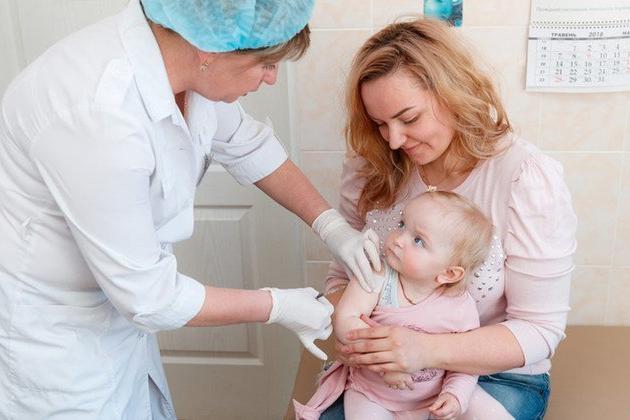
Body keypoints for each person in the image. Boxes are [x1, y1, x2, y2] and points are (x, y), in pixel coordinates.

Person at [0, 1, 382, 418]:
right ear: (210, 49)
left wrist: (331, 227)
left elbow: (250, 145)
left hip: (116, 313)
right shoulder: (99, 113)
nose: (272, 78)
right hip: (55, 339)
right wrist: (279, 306)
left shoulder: (186, 65)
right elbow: (150, 296)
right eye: (265, 64)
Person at [290, 17, 577, 420]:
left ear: (453, 94)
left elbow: (540, 329)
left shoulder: (524, 177)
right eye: (380, 124)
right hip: (380, 375)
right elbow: (343, 275)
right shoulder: (371, 164)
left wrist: (425, 350)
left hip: (492, 374)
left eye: (409, 119)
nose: (394, 139)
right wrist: (359, 335)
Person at [293, 191, 492, 420]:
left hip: (433, 397)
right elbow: (346, 320)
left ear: (449, 273)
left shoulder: (460, 306)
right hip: (373, 394)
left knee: (487, 412)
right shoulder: (377, 277)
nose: (398, 239)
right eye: (402, 225)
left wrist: (455, 395)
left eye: (418, 240)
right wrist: (387, 364)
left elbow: (465, 362)